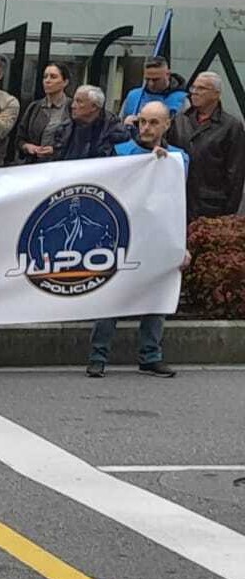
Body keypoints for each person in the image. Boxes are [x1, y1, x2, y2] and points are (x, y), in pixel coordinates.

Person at [88, 101, 192, 379]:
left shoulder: (178, 158)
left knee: (157, 296)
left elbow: (179, 203)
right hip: (122, 235)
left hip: (158, 236)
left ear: (167, 124)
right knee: (111, 294)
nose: (146, 128)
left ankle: (150, 355)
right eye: (142, 121)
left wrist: (182, 244)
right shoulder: (120, 153)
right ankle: (98, 355)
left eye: (154, 122)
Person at [171, 71, 245, 219]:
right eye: (193, 87)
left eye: (201, 88)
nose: (194, 92)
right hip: (180, 201)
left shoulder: (231, 126)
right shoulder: (180, 120)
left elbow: (235, 173)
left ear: (216, 94)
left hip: (212, 205)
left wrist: (229, 214)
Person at [15, 63, 73, 164]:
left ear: (65, 82)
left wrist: (55, 150)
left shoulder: (71, 107)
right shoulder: (34, 107)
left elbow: (77, 140)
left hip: (61, 164)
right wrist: (27, 147)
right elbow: (20, 138)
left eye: (53, 77)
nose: (47, 81)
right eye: (45, 77)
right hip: (34, 163)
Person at [51, 85, 127, 162]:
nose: (72, 106)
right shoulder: (65, 128)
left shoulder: (114, 129)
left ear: (94, 107)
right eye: (74, 101)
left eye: (79, 102)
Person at [119, 56, 189, 120]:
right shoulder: (133, 97)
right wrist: (126, 124)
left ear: (168, 75)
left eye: (155, 80)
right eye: (147, 79)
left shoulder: (182, 100)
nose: (151, 84)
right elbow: (118, 125)